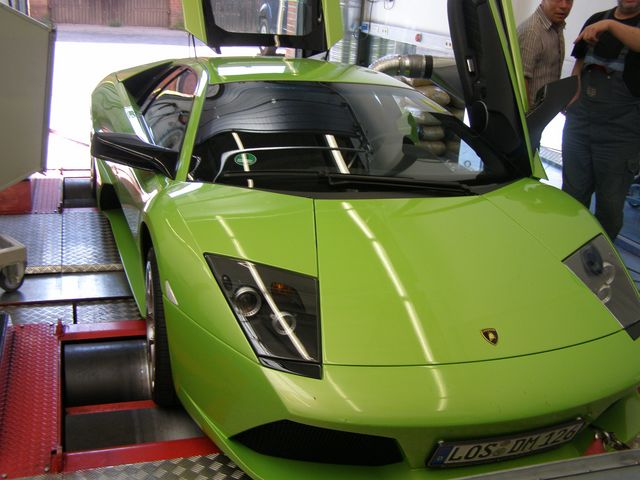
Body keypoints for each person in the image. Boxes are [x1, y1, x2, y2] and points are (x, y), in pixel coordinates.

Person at [561, 0, 640, 241]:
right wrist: (572, 95)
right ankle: (569, 247)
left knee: (609, 207)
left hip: (620, 135)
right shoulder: (595, 20)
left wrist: (610, 26)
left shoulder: (606, 25)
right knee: (572, 197)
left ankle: (601, 258)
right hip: (580, 125)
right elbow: (580, 64)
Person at [518, 0, 574, 108]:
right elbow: (520, 82)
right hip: (531, 114)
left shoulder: (556, 26)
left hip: (546, 110)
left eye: (569, 1)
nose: (564, 6)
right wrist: (529, 116)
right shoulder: (532, 31)